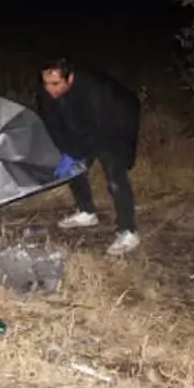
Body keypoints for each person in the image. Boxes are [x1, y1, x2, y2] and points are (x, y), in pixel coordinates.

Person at [36, 57, 142, 257]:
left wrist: (78, 152)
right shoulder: (47, 92)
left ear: (70, 78)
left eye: (56, 84)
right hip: (84, 123)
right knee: (74, 166)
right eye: (46, 83)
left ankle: (128, 231)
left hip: (117, 120)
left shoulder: (94, 90)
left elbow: (98, 130)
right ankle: (86, 212)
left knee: (114, 174)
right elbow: (54, 125)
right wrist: (67, 151)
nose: (50, 89)